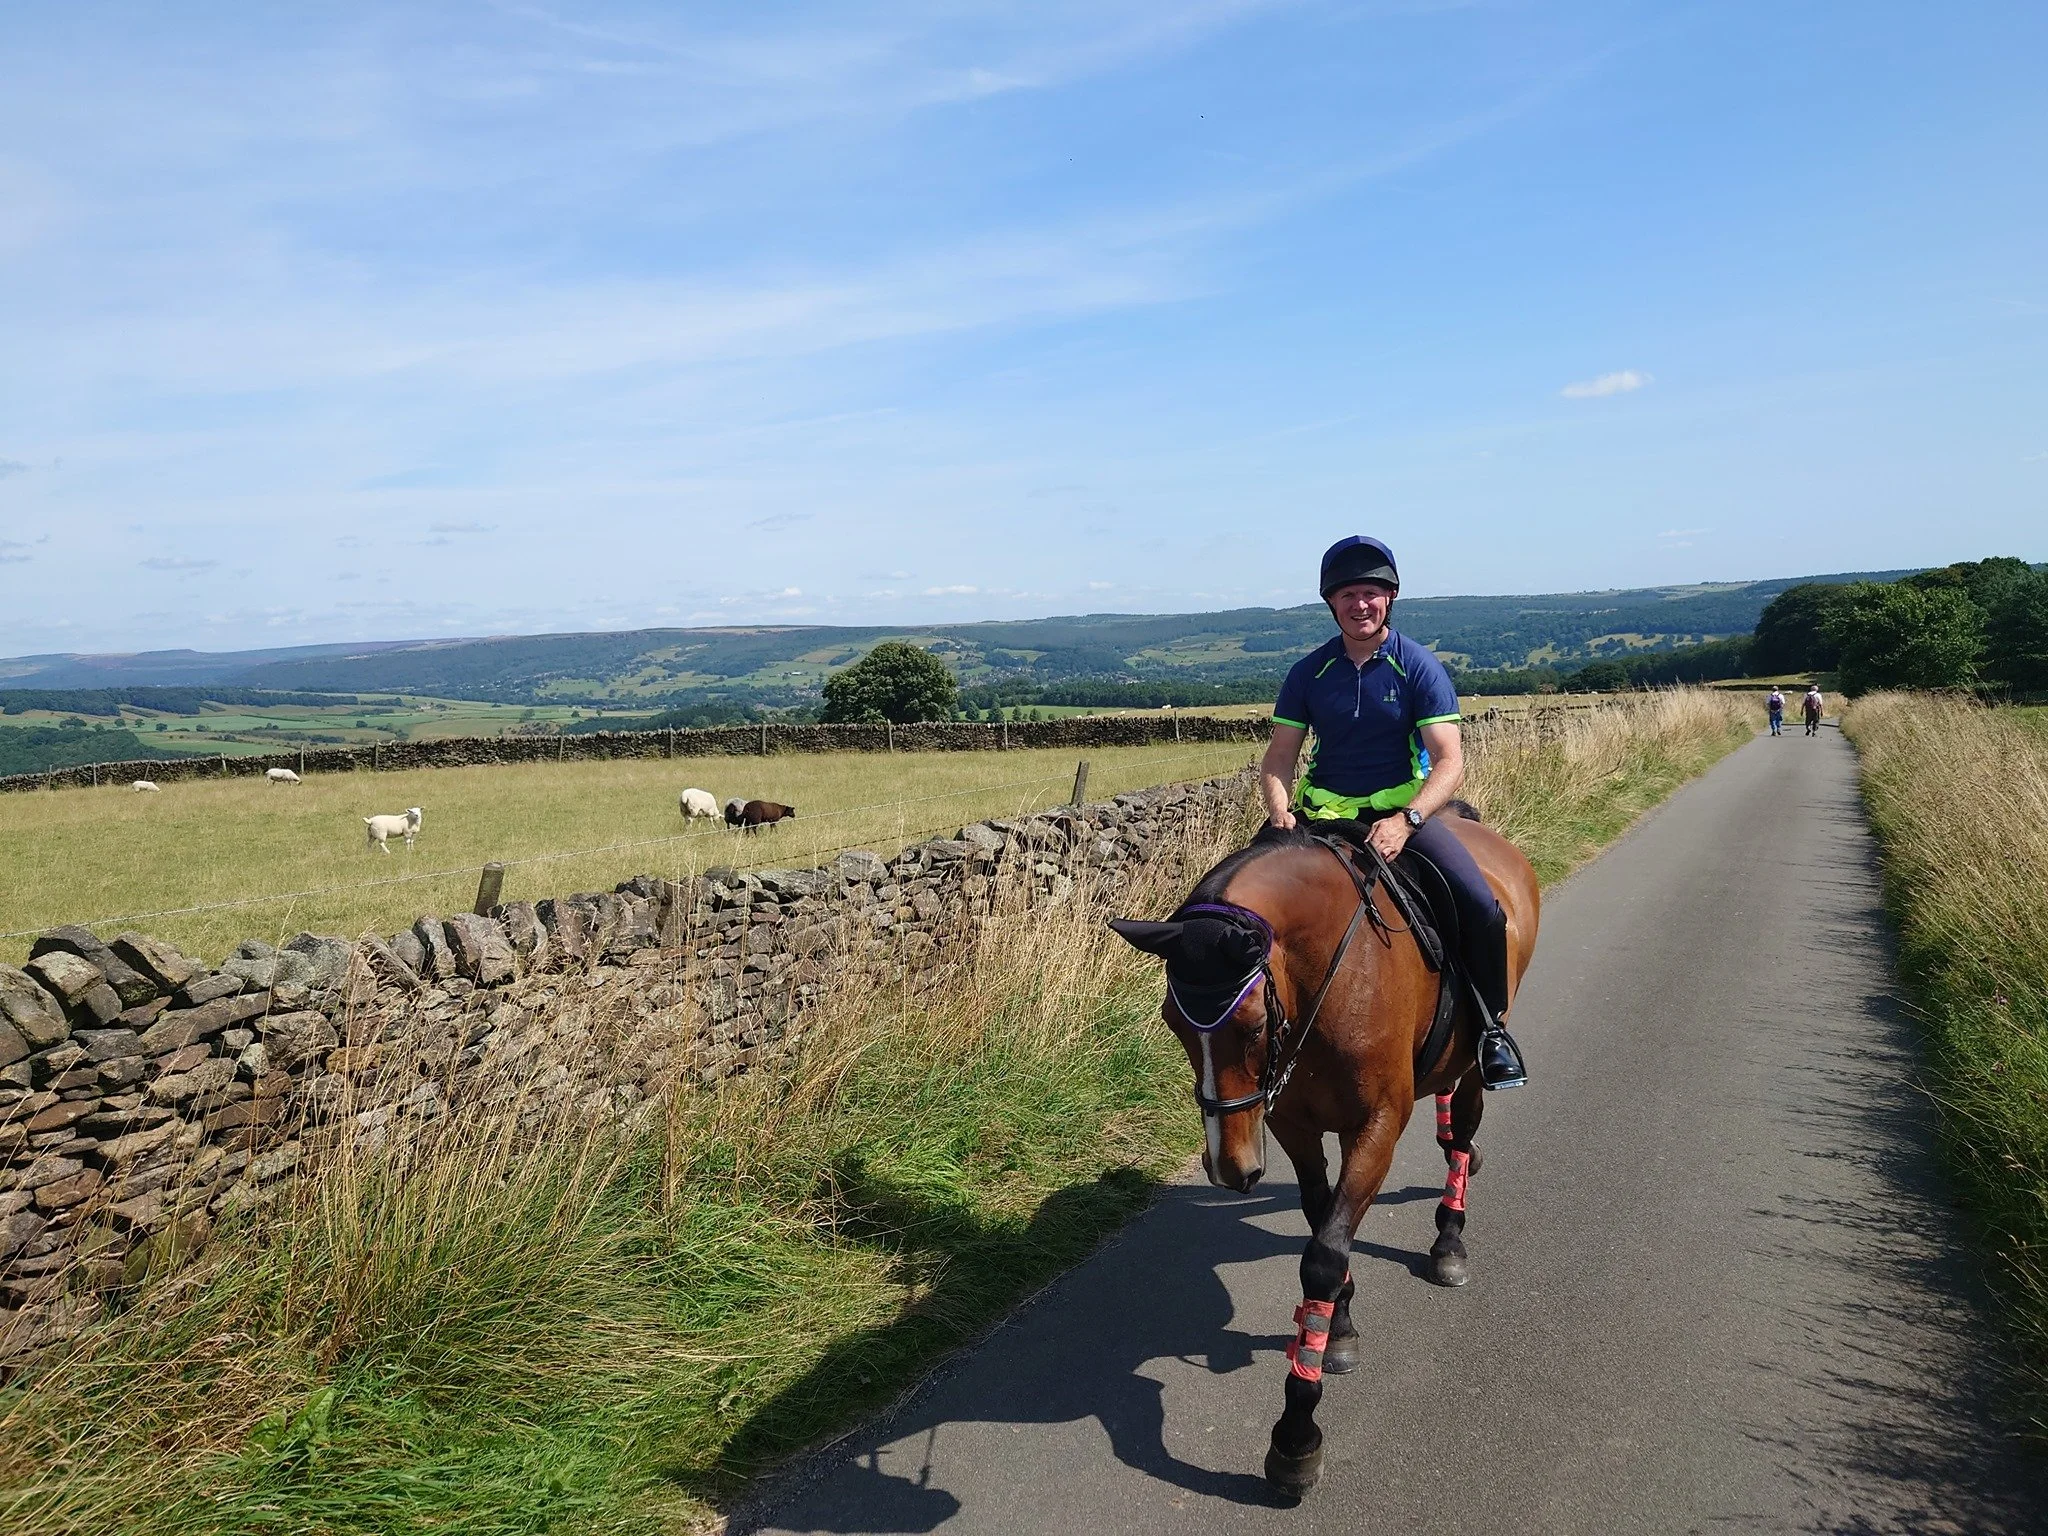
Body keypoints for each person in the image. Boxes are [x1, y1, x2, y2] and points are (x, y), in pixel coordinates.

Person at [1260, 536, 1528, 1091]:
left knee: (1481, 907)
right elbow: (1280, 756)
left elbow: (1449, 761)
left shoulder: (1417, 666)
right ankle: (1253, 1040)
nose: (1361, 605)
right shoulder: (1308, 673)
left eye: (1373, 593)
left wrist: (1407, 821)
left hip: (1399, 815)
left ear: (1391, 597)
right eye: (1349, 595)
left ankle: (1490, 1032)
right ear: (1331, 604)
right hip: (1319, 813)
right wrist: (1280, 806)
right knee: (1238, 911)